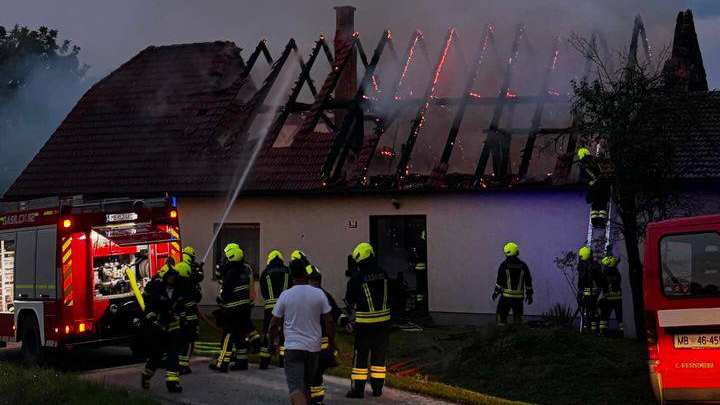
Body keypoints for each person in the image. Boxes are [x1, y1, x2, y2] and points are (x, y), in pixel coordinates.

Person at [268, 258, 335, 405]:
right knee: (306, 387)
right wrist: (331, 343)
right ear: (306, 273)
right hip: (313, 349)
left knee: (296, 389)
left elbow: (273, 324)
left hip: (293, 349)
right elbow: (329, 321)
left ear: (292, 276)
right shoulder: (318, 294)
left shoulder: (285, 295)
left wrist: (271, 343)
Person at [345, 242, 391, 399]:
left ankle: (358, 390)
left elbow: (349, 301)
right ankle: (377, 389)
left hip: (365, 324)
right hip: (384, 323)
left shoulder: (357, 277)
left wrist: (348, 318)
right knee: (379, 357)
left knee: (361, 357)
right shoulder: (384, 273)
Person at [141, 261, 184, 393]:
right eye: (170, 276)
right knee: (156, 357)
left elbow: (182, 304)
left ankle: (172, 383)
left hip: (173, 326)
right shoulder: (156, 290)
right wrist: (154, 320)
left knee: (173, 354)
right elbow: (149, 309)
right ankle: (146, 376)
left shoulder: (178, 289)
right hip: (158, 328)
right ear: (165, 277)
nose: (173, 278)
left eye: (174, 276)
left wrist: (183, 319)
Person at [211, 243, 255, 372]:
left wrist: (221, 298)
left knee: (227, 335)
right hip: (244, 309)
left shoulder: (230, 273)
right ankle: (241, 361)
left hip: (232, 310)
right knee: (240, 334)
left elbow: (226, 292)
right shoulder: (244, 270)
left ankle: (222, 363)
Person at [307, 264, 346, 405]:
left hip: (309, 343)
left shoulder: (304, 296)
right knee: (317, 373)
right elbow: (335, 313)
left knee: (310, 373)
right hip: (322, 344)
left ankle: (311, 398)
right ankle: (317, 400)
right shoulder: (325, 295)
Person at [259, 250, 293, 369]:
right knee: (284, 333)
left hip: (270, 307)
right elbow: (291, 286)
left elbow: (263, 289)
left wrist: (269, 299)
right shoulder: (288, 271)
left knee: (268, 332)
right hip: (285, 306)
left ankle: (264, 361)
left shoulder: (265, 272)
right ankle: (283, 361)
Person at [492, 242, 533, 325]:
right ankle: (517, 334)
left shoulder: (504, 265)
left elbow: (500, 281)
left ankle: (501, 333)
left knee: (501, 316)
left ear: (507, 252)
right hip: (519, 298)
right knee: (517, 318)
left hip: (506, 297)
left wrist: (496, 292)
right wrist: (529, 295)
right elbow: (528, 281)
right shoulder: (523, 265)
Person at [174, 261, 201, 375]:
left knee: (179, 342)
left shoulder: (175, 285)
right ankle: (184, 366)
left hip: (179, 320)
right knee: (188, 342)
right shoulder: (190, 285)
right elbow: (198, 297)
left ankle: (178, 365)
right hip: (190, 320)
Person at [578, 147, 611, 229]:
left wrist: (589, 182)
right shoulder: (594, 162)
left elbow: (582, 178)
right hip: (601, 188)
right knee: (602, 205)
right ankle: (601, 222)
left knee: (595, 206)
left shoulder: (582, 166)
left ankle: (595, 223)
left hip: (593, 189)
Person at [577, 246, 601, 334]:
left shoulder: (584, 267)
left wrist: (580, 292)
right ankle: (595, 329)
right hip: (594, 294)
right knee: (594, 312)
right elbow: (600, 280)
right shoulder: (595, 266)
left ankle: (590, 329)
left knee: (588, 312)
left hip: (586, 294)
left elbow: (581, 280)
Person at [599, 255, 623, 336]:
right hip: (618, 299)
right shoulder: (617, 273)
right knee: (620, 317)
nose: (603, 267)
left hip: (608, 300)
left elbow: (601, 283)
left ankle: (603, 331)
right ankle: (622, 331)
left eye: (604, 265)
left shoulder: (605, 274)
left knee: (604, 316)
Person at [409, 230, 428, 313]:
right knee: (422, 286)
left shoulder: (418, 243)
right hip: (423, 268)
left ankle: (419, 303)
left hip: (418, 268)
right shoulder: (423, 243)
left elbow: (412, 256)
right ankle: (421, 303)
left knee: (419, 286)